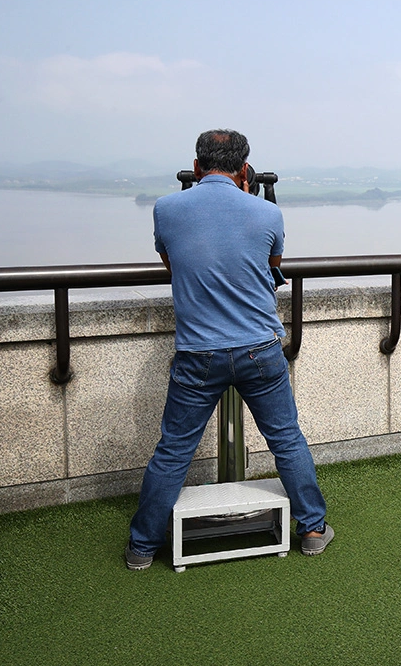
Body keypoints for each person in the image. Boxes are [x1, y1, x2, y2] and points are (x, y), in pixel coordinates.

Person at [125, 129, 331, 570]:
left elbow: (173, 263)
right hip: (259, 347)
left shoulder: (166, 209)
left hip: (198, 353)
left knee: (174, 448)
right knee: (286, 438)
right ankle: (312, 530)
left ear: (197, 167)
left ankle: (142, 547)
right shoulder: (267, 213)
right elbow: (270, 267)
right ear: (244, 170)